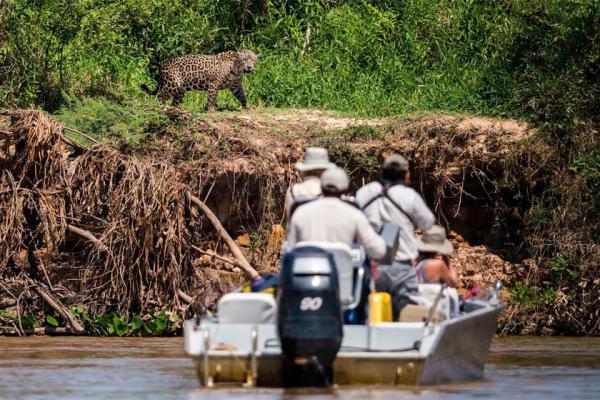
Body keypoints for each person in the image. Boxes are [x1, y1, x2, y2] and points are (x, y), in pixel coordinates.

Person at [355, 154, 435, 317]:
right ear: (406, 174)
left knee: (371, 316)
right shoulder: (409, 196)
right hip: (402, 267)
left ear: (381, 171)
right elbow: (427, 223)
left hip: (371, 267)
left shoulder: (364, 192)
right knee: (409, 316)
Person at [287, 167, 386, 260]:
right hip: (343, 276)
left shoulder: (300, 213)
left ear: (321, 186)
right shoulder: (354, 215)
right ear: (345, 188)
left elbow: (290, 251)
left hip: (308, 274)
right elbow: (379, 250)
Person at [284, 147, 336, 220]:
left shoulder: (292, 191)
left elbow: (290, 219)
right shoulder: (330, 191)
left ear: (304, 169)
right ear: (325, 170)